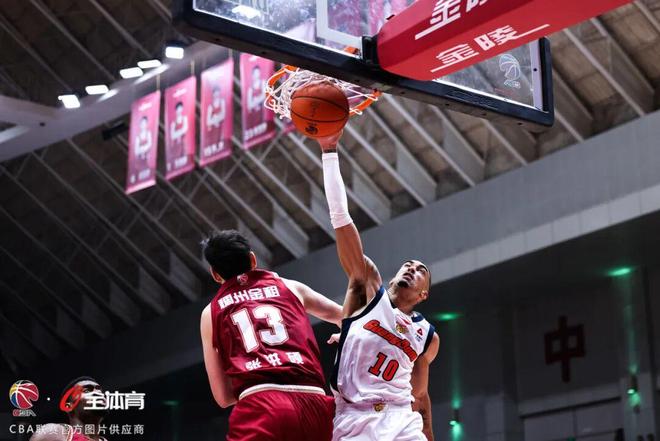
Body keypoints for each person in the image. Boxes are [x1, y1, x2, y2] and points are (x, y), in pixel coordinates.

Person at [318, 131, 440, 441]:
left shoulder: (426, 335)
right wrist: (329, 152)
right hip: (355, 417)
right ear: (394, 276)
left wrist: (428, 431)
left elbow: (420, 394)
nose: (412, 269)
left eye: (421, 270)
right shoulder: (367, 289)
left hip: (401, 418)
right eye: (408, 265)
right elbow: (340, 217)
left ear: (424, 294)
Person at [200, 230, 343, 441]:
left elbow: (223, 397)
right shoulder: (290, 287)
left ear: (215, 274)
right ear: (252, 259)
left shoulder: (211, 313)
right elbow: (348, 318)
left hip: (261, 406)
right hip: (315, 403)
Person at [31, 377, 108, 441]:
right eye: (86, 391)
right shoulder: (53, 433)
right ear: (68, 406)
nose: (98, 393)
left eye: (99, 390)